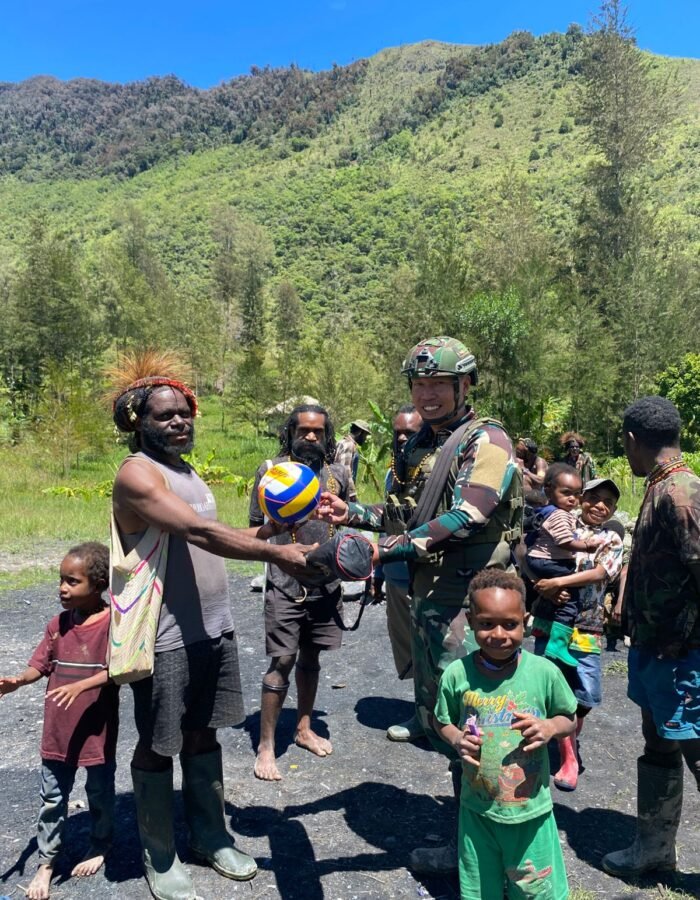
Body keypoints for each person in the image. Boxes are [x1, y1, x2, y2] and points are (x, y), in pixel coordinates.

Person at [109, 353, 313, 900]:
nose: (179, 421)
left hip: (212, 628)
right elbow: (197, 532)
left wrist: (274, 529)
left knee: (205, 732)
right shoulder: (137, 474)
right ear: (138, 423)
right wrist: (278, 555)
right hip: (165, 634)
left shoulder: (186, 471)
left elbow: (217, 531)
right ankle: (160, 855)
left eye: (184, 412)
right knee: (159, 742)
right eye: (165, 415)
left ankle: (210, 836)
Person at [318, 336, 523, 873]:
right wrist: (352, 513)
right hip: (431, 602)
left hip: (474, 609)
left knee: (484, 727)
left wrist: (384, 549)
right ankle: (469, 843)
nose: (428, 394)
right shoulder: (419, 445)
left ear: (465, 384)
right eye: (420, 384)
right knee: (449, 724)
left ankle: (503, 852)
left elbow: (467, 516)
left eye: (439, 384)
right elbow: (404, 516)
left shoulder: (488, 440)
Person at [602, 396, 700, 879]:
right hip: (655, 650)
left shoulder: (681, 494)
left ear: (632, 441)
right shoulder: (661, 485)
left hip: (683, 655)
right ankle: (655, 850)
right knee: (659, 743)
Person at [434, 568, 576, 900]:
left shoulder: (544, 672)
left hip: (531, 814)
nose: (498, 634)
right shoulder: (457, 674)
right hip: (477, 811)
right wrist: (456, 739)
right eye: (486, 623)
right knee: (480, 890)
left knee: (536, 890)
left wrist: (550, 727)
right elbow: (442, 721)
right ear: (471, 621)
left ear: (525, 622)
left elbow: (568, 718)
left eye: (510, 624)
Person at [0, 543, 118, 900]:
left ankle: (100, 843)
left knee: (99, 793)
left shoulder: (113, 625)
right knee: (52, 798)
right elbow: (40, 665)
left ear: (99, 585)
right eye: (61, 580)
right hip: (58, 733)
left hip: (96, 732)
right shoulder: (58, 625)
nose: (62, 588)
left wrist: (81, 685)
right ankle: (47, 861)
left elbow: (120, 670)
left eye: (72, 581)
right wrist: (18, 681)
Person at [249, 404, 351, 782]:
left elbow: (349, 519)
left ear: (327, 436)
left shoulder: (338, 474)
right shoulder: (271, 471)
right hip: (284, 584)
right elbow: (255, 529)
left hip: (327, 584)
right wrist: (279, 542)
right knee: (282, 661)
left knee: (311, 658)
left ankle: (304, 728)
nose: (310, 437)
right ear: (290, 432)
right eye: (303, 430)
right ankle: (266, 746)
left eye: (318, 431)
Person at [531, 478, 623, 791]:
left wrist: (559, 583)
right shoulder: (561, 523)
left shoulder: (611, 538)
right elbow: (532, 554)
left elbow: (600, 573)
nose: (600, 506)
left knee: (585, 694)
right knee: (548, 687)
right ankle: (568, 756)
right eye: (594, 498)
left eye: (608, 502)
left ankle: (563, 737)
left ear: (614, 510)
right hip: (550, 619)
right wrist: (542, 585)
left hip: (587, 624)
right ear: (582, 498)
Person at [526, 463, 605, 668]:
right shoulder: (560, 515)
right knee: (570, 601)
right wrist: (586, 546)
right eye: (566, 493)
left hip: (539, 560)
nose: (572, 499)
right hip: (548, 561)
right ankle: (558, 644)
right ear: (548, 490)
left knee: (562, 594)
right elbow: (564, 541)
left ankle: (553, 641)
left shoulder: (549, 511)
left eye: (577, 494)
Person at [379, 404, 425, 741]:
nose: (402, 438)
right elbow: (387, 522)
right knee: (410, 648)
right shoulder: (393, 473)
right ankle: (422, 714)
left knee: (438, 649)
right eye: (398, 432)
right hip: (396, 575)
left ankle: (445, 720)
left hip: (430, 577)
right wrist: (378, 574)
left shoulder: (439, 471)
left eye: (410, 432)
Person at [334, 419, 371, 491]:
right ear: (360, 432)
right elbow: (345, 471)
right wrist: (351, 492)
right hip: (343, 490)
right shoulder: (349, 445)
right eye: (365, 435)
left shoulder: (341, 442)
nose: (365, 439)